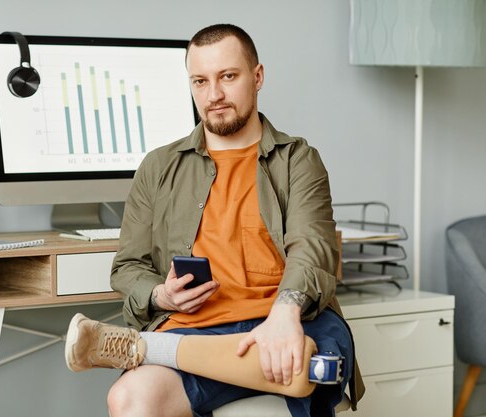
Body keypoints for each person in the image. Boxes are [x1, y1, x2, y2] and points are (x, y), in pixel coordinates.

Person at [65, 23, 364, 417]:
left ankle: (150, 349)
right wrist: (161, 295)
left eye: (228, 76)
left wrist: (284, 314)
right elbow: (128, 266)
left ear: (257, 77)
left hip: (291, 321)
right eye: (200, 81)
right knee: (126, 399)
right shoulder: (159, 166)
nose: (214, 95)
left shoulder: (298, 160)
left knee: (300, 363)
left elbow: (312, 249)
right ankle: (195, 354)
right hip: (195, 329)